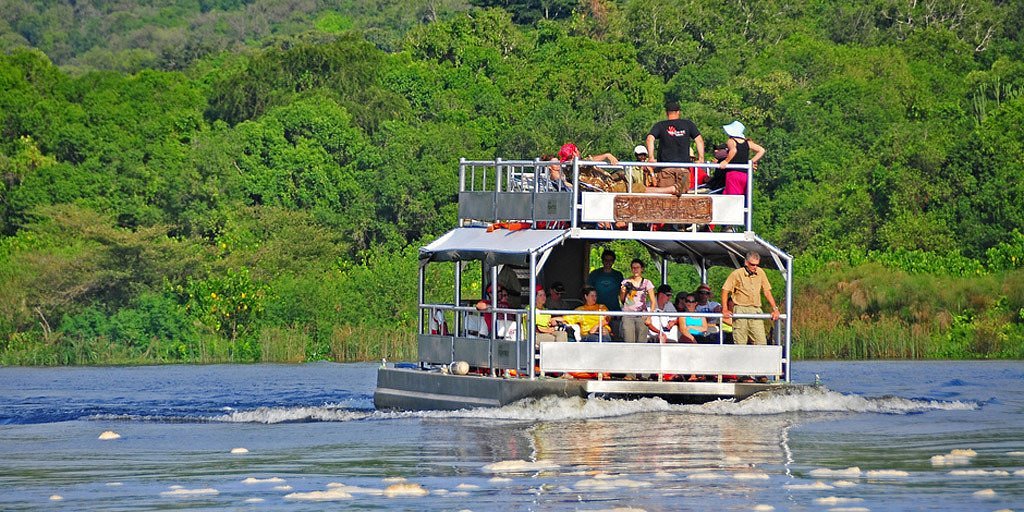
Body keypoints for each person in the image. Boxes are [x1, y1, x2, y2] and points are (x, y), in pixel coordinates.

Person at [645, 101, 705, 196]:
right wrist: (701, 158)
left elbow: (649, 139)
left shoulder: (660, 125)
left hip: (666, 169)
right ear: (678, 112)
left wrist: (651, 157)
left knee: (665, 199)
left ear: (666, 113)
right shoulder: (688, 124)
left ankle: (670, 189)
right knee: (682, 196)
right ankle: (674, 189)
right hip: (683, 168)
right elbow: (699, 140)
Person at [721, 251, 780, 346]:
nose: (755, 267)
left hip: (755, 309)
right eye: (752, 264)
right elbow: (725, 290)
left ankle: (760, 359)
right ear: (746, 263)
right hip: (740, 309)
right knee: (740, 341)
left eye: (757, 265)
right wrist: (725, 309)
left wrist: (775, 309)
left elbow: (767, 292)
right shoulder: (737, 273)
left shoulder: (760, 272)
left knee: (761, 341)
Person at [719, 121, 766, 197]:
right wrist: (750, 162)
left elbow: (733, 150)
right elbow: (761, 150)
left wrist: (726, 161)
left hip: (733, 174)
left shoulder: (731, 141)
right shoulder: (747, 143)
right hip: (745, 174)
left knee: (732, 198)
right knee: (743, 198)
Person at [587, 249, 624, 334]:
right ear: (602, 260)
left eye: (610, 260)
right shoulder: (594, 274)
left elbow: (622, 293)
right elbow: (587, 291)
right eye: (606, 260)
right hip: (598, 310)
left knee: (615, 334)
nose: (608, 262)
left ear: (613, 261)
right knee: (599, 333)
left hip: (614, 309)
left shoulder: (618, 275)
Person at [619, 258, 656, 343]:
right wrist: (622, 292)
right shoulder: (626, 282)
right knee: (629, 340)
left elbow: (653, 301)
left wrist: (649, 317)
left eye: (637, 267)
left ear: (642, 269)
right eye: (633, 268)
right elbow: (622, 300)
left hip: (642, 315)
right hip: (628, 314)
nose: (635, 270)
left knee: (641, 341)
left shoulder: (647, 282)